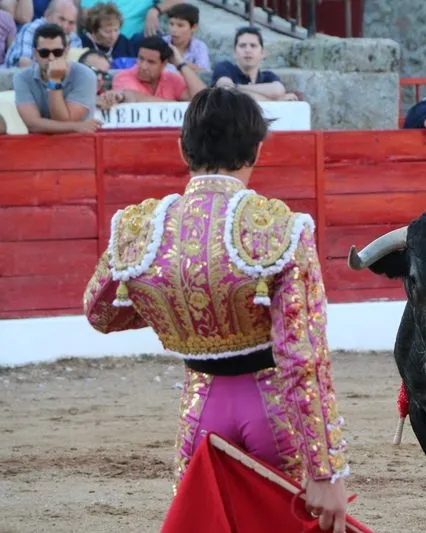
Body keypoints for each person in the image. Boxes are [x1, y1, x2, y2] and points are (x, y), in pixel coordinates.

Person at [81, 87, 350, 532]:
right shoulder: (280, 227)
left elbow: (100, 313)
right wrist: (326, 470)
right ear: (257, 150)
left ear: (182, 148)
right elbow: (303, 356)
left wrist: (173, 303)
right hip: (272, 411)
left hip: (199, 411)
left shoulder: (140, 227)